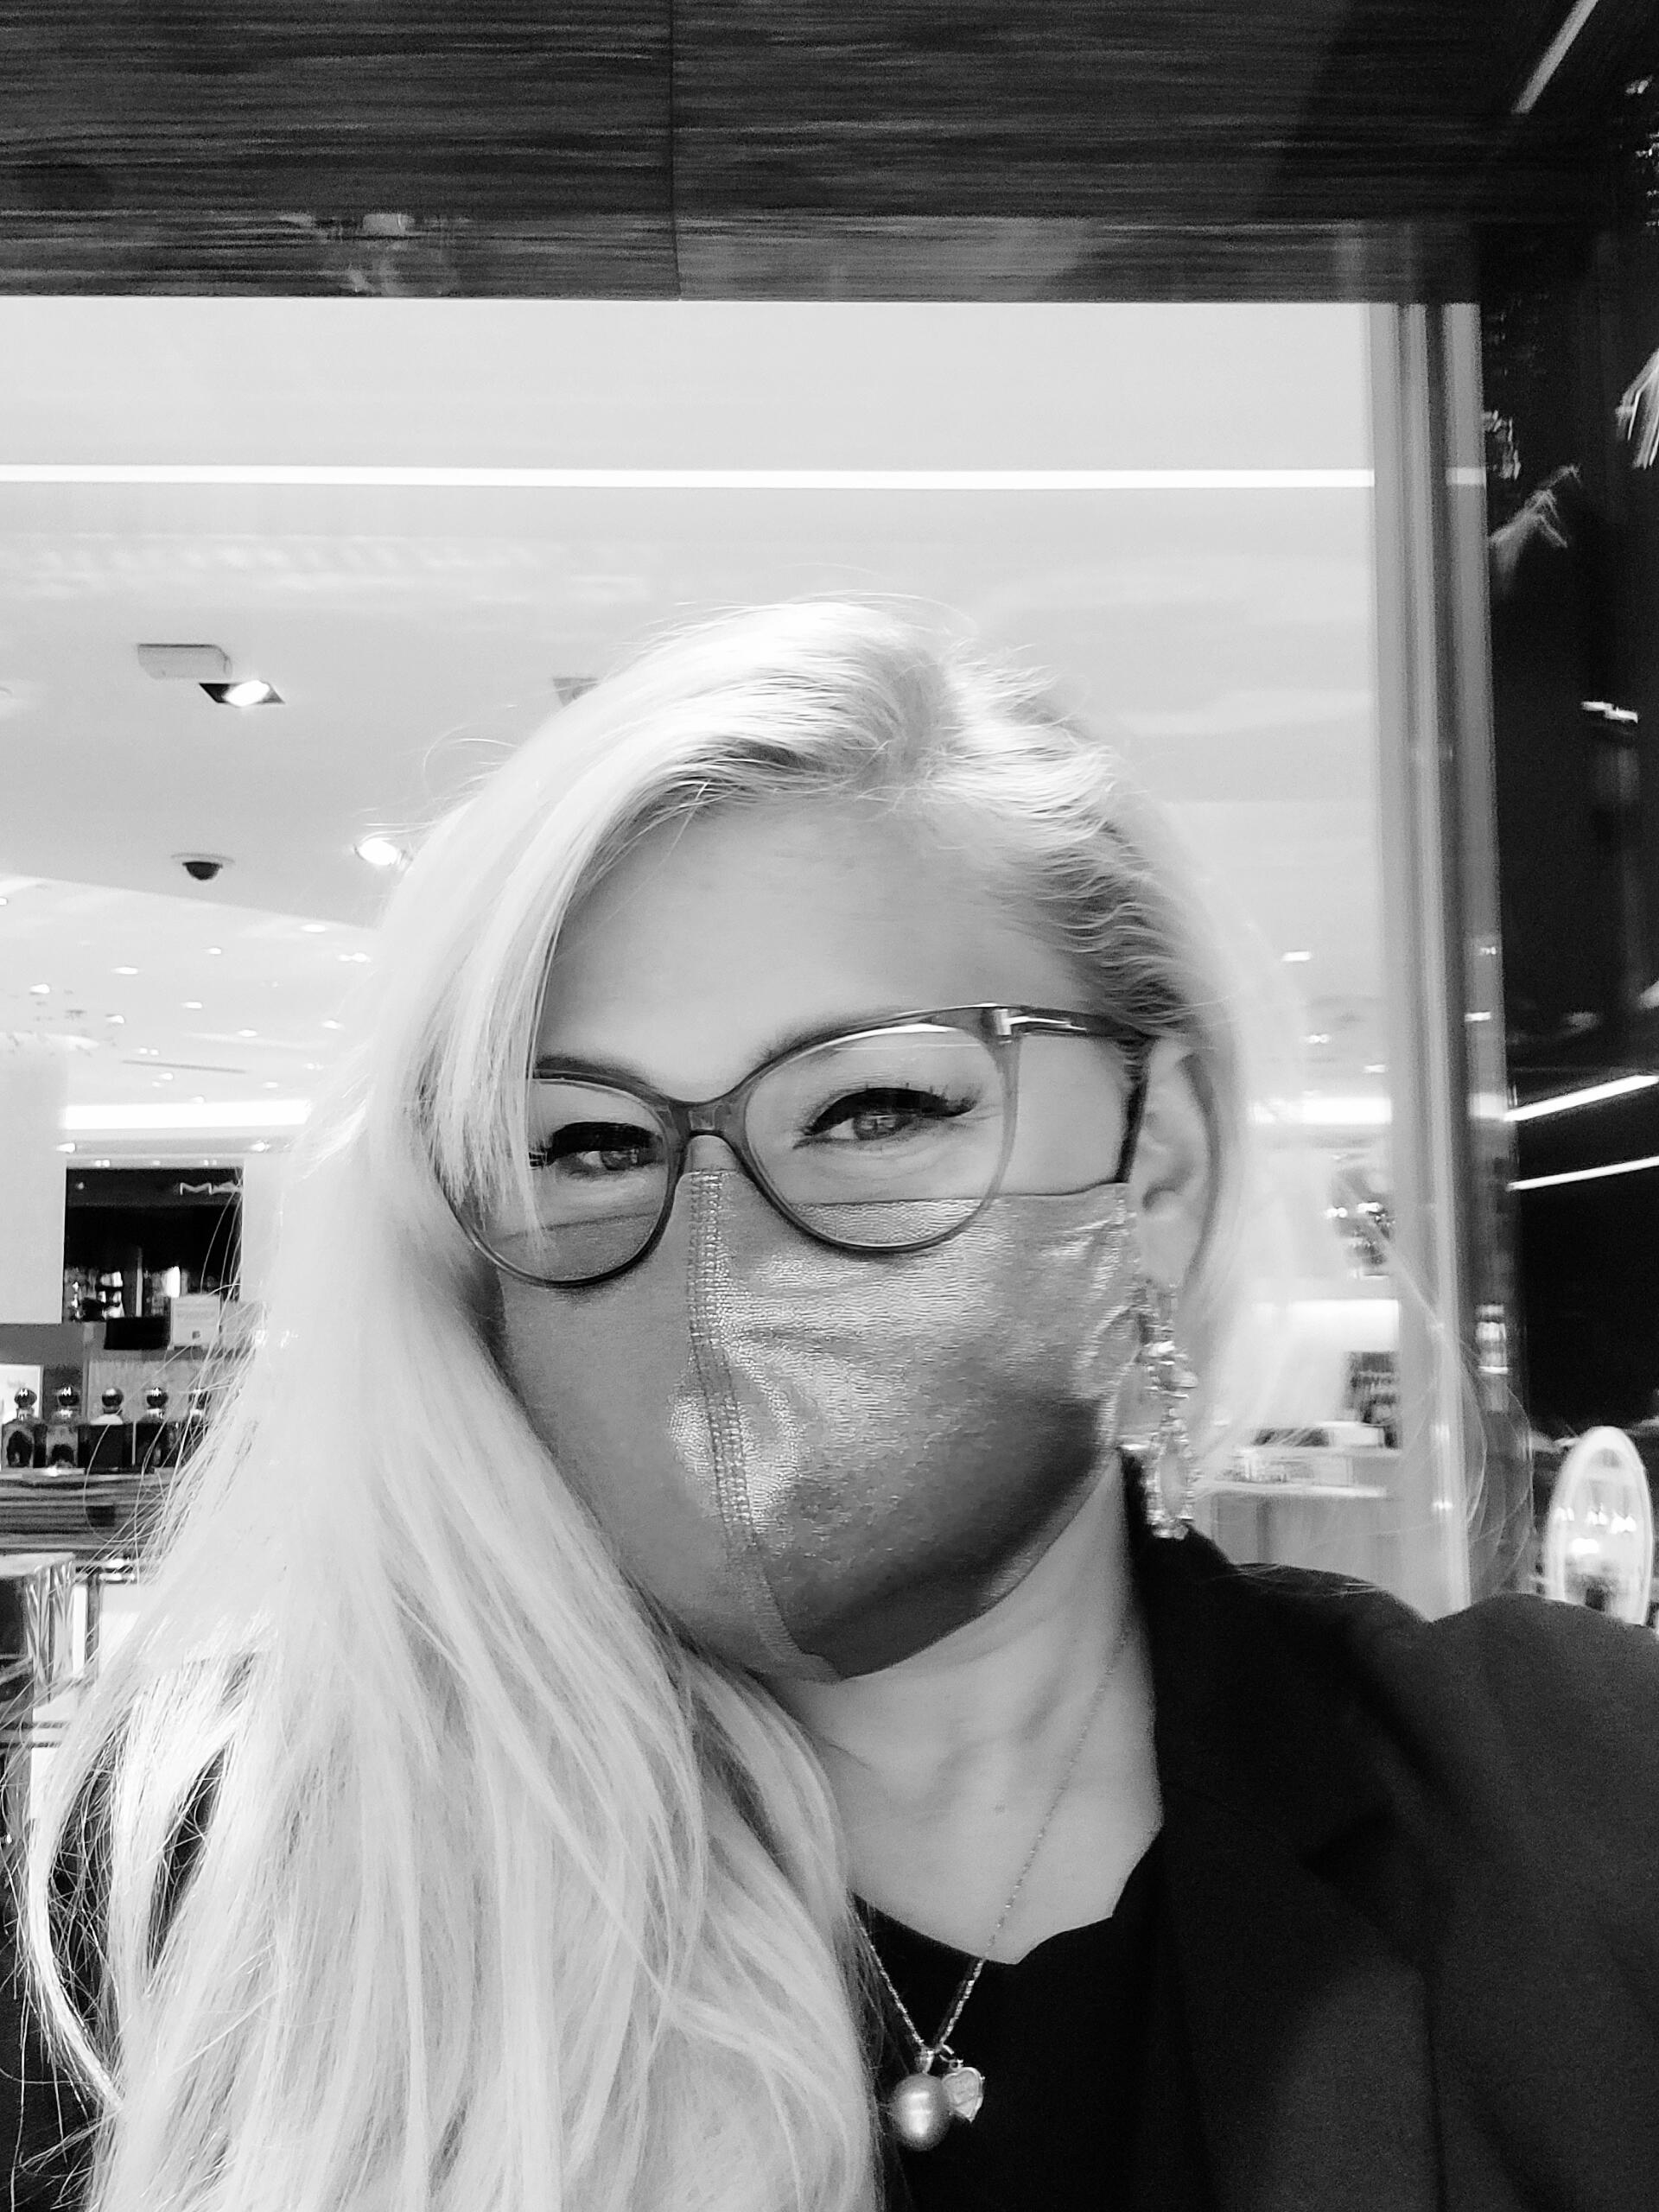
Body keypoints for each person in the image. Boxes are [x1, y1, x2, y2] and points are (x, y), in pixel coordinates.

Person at [8, 599, 1659, 2212]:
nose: (722, 1257)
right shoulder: (219, 1884)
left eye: (877, 1107)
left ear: (1156, 1165)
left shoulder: (1576, 1808)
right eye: (587, 1141)